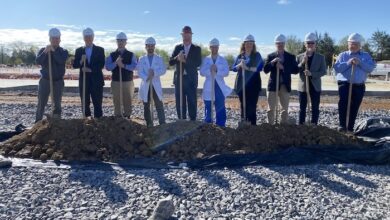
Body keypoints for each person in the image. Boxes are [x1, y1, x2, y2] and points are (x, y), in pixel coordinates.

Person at [334, 33, 375, 132]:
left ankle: (350, 127)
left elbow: (370, 68)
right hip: (345, 84)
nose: (352, 46)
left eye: (355, 44)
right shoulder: (343, 55)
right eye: (351, 44)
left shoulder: (366, 56)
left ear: (360, 45)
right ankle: (342, 126)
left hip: (359, 86)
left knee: (355, 106)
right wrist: (348, 63)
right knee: (343, 104)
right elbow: (337, 68)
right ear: (348, 44)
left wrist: (360, 62)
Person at [264, 34, 299, 124]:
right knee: (271, 109)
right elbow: (265, 70)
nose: (280, 45)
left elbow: (296, 70)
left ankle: (283, 127)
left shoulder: (290, 57)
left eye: (282, 43)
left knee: (284, 109)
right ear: (275, 44)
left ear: (284, 44)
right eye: (278, 43)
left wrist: (283, 68)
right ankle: (270, 126)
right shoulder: (270, 56)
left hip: (285, 85)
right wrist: (272, 63)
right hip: (273, 86)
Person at [35, 28, 69, 122]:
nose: (55, 40)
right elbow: (38, 61)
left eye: (57, 38)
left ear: (60, 39)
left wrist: (53, 51)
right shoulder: (43, 50)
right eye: (53, 38)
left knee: (57, 103)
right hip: (45, 80)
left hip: (58, 81)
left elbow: (60, 61)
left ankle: (56, 123)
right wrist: (46, 51)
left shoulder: (63, 51)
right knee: (41, 102)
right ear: (50, 39)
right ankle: (37, 123)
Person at [169, 26, 202, 121]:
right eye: (184, 34)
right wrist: (177, 58)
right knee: (180, 101)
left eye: (188, 34)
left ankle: (192, 121)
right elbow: (170, 62)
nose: (186, 36)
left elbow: (198, 62)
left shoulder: (197, 49)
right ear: (182, 35)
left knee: (192, 101)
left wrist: (185, 60)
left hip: (191, 79)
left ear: (191, 35)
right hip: (179, 79)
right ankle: (181, 121)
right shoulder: (177, 47)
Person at [72, 27, 105, 118]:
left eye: (90, 36)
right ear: (83, 38)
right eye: (86, 37)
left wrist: (90, 70)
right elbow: (75, 65)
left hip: (97, 81)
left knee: (97, 102)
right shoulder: (79, 50)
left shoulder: (100, 50)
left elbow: (101, 64)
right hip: (84, 81)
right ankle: (87, 122)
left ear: (93, 37)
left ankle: (98, 122)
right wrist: (81, 62)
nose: (88, 38)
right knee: (85, 103)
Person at [232, 34, 264, 125]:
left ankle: (252, 126)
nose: (249, 45)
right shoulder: (240, 56)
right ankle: (243, 123)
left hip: (254, 85)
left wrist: (247, 68)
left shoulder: (257, 55)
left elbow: (260, 67)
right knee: (243, 105)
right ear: (244, 44)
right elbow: (234, 68)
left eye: (251, 43)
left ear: (253, 44)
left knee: (252, 105)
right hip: (241, 85)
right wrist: (239, 65)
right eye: (247, 43)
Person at [199, 38, 232, 126]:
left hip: (219, 86)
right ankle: (208, 125)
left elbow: (226, 72)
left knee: (220, 106)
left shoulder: (222, 60)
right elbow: (201, 72)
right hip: (209, 85)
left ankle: (221, 125)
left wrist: (217, 70)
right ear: (210, 47)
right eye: (213, 47)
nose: (214, 49)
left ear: (218, 47)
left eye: (216, 47)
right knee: (208, 106)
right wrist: (209, 70)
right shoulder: (205, 59)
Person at [296, 32, 327, 125]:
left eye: (312, 43)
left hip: (315, 86)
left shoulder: (321, 57)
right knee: (302, 107)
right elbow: (295, 70)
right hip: (303, 86)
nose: (310, 45)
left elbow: (323, 71)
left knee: (315, 107)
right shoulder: (299, 56)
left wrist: (311, 74)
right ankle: (301, 124)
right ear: (305, 44)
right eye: (308, 43)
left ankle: (314, 124)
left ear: (315, 44)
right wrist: (302, 63)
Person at [105, 32, 137, 118]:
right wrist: (116, 63)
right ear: (116, 42)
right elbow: (107, 67)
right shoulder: (112, 55)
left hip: (128, 81)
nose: (120, 42)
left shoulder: (131, 54)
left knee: (128, 100)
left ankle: (127, 117)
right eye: (119, 40)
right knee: (117, 100)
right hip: (116, 81)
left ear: (126, 42)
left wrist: (123, 66)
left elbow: (134, 66)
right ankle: (118, 117)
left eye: (122, 40)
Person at [137, 37, 167, 127]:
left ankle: (162, 124)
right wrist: (147, 77)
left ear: (154, 46)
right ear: (145, 47)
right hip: (146, 84)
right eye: (148, 46)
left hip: (155, 84)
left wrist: (154, 73)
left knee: (159, 105)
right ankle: (149, 124)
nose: (150, 47)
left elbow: (163, 70)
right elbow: (139, 71)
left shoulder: (159, 58)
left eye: (152, 46)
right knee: (146, 105)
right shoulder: (141, 59)